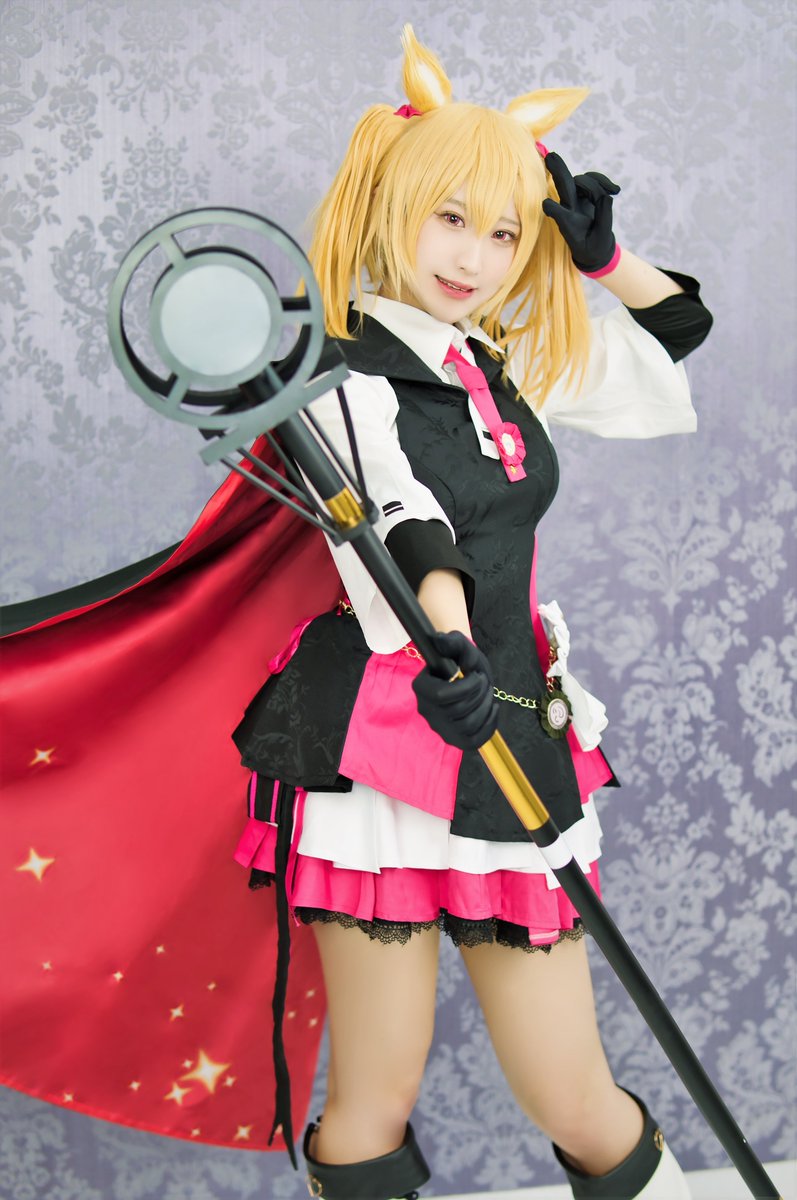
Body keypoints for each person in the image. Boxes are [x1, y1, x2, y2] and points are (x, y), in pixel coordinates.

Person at [229, 24, 712, 1200]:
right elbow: (401, 523)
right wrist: (443, 636)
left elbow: (673, 340)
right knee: (375, 1091)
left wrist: (604, 260)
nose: (476, 257)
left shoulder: (493, 363)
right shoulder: (334, 366)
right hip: (384, 735)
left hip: (506, 718)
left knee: (574, 1094)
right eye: (450, 218)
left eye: (504, 232)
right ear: (390, 205)